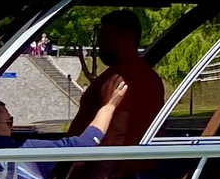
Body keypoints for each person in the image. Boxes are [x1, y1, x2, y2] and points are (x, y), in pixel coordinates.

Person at [67, 10, 167, 146]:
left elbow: (117, 132)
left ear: (125, 37)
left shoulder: (123, 78)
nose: (99, 42)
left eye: (104, 35)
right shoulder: (148, 76)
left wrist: (82, 166)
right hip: (133, 163)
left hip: (106, 162)